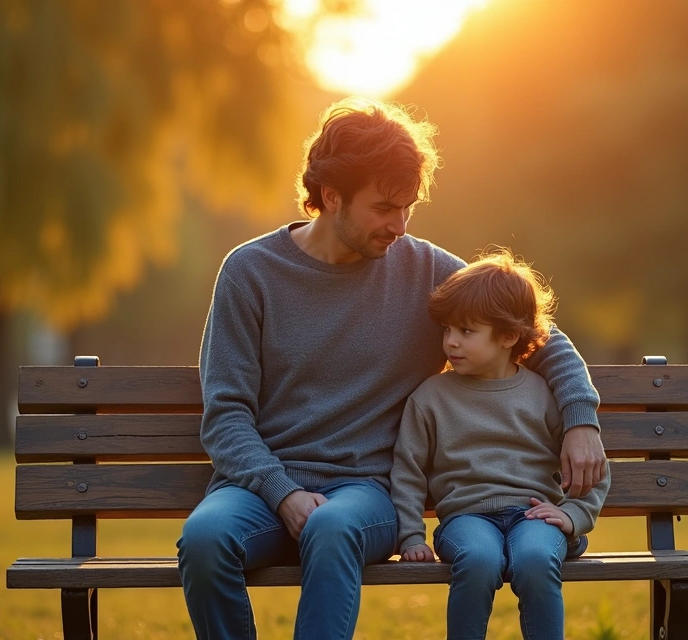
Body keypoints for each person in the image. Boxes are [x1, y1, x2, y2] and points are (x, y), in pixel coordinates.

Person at [176, 97, 608, 640]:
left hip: (365, 494)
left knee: (332, 526)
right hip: (260, 489)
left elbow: (536, 334)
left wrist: (580, 419)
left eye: (408, 208)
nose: (399, 226)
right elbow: (226, 416)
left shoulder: (425, 269)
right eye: (384, 208)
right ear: (331, 195)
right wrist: (282, 492)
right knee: (204, 540)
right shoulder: (250, 272)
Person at [389, 250, 611, 640]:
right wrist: (410, 535)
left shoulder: (544, 395)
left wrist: (574, 515)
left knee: (536, 560)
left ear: (508, 336)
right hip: (466, 519)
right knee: (478, 560)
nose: (451, 342)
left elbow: (594, 468)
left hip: (534, 517)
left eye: (466, 331)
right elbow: (407, 471)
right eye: (447, 329)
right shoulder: (430, 398)